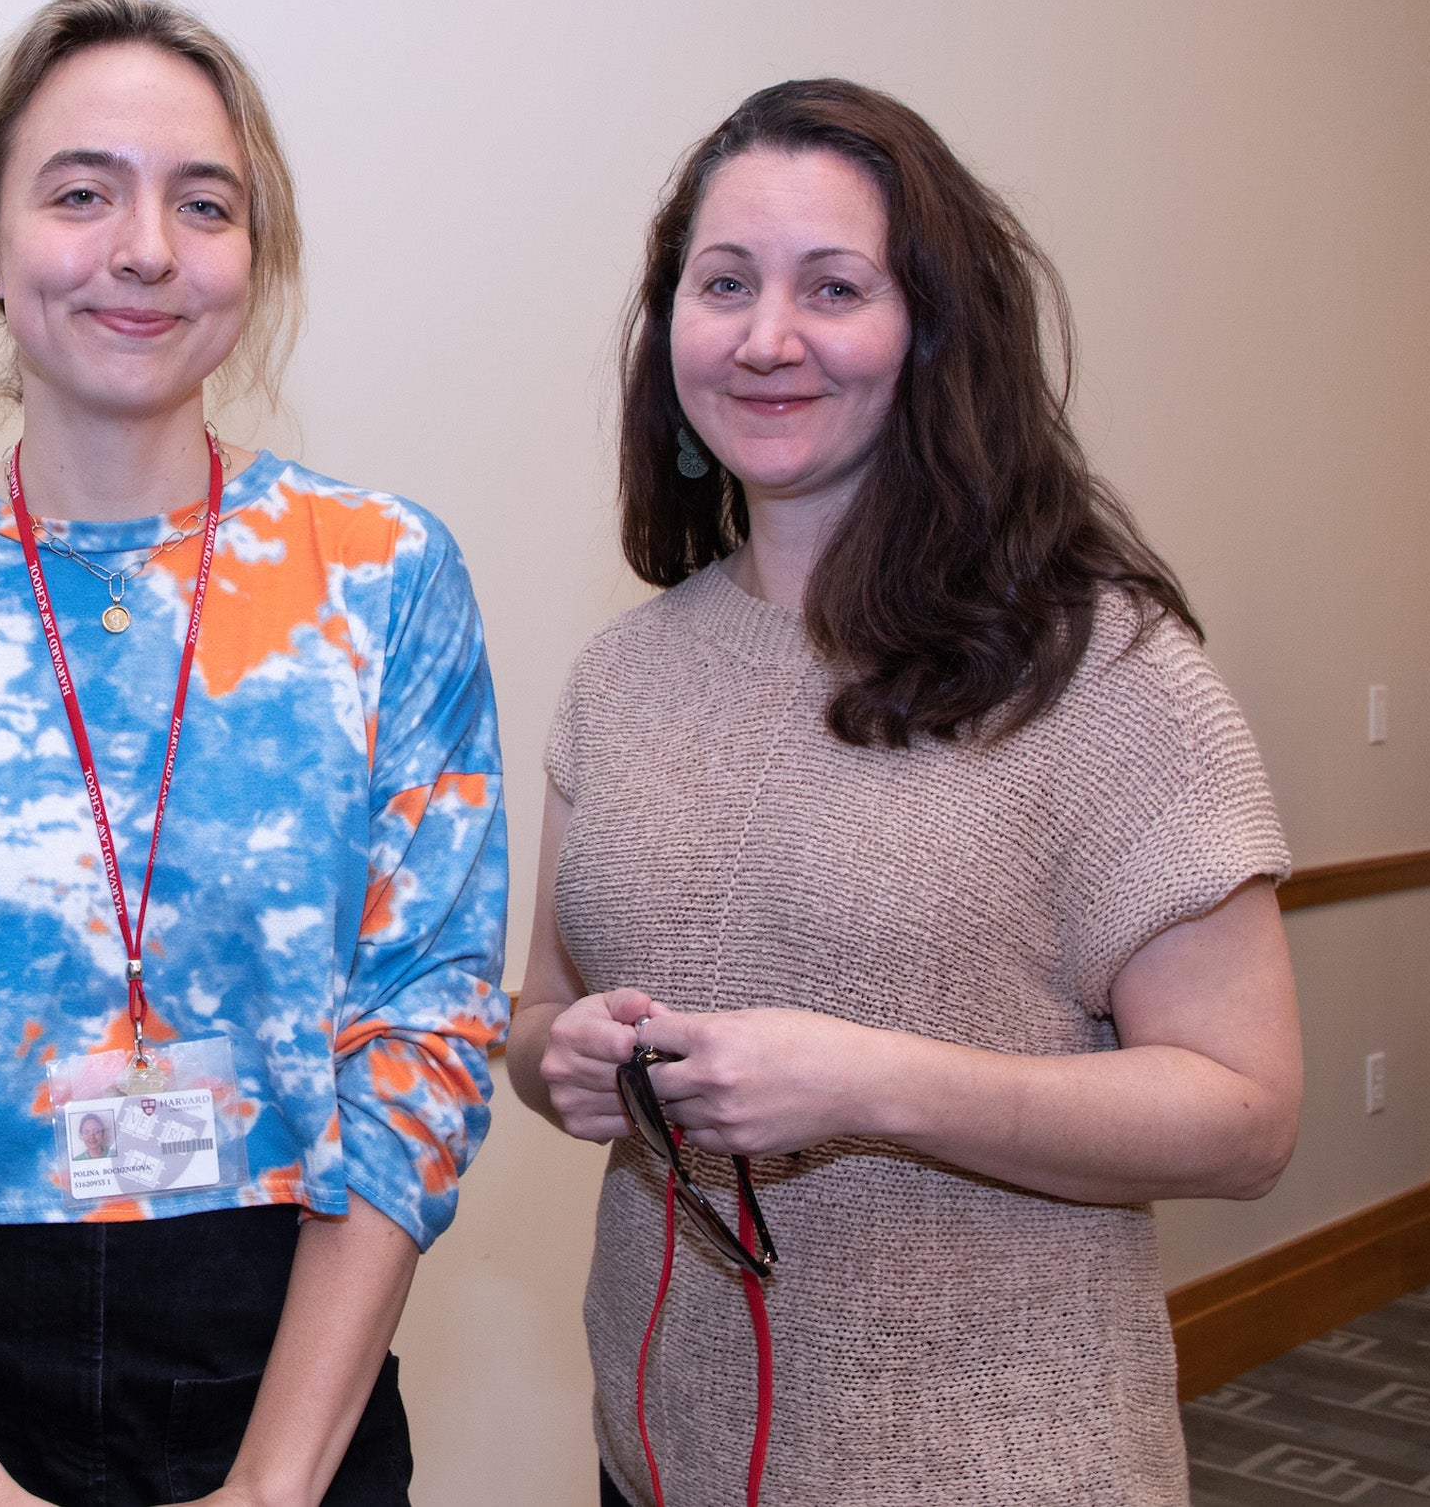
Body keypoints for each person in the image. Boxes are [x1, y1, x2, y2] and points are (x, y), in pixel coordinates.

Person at [508, 79, 1300, 1507]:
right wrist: (551, 1057)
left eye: (833, 287)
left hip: (993, 1472)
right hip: (656, 1460)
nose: (766, 337)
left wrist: (867, 1081)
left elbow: (1244, 1118)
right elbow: (535, 1015)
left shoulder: (1103, 669)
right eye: (723, 283)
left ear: (930, 331)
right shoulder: (616, 676)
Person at [0, 0, 509, 1507]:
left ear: (257, 254)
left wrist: (277, 1484)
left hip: (283, 1355)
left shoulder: (382, 576)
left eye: (203, 203)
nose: (145, 249)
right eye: (80, 193)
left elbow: (425, 1033)